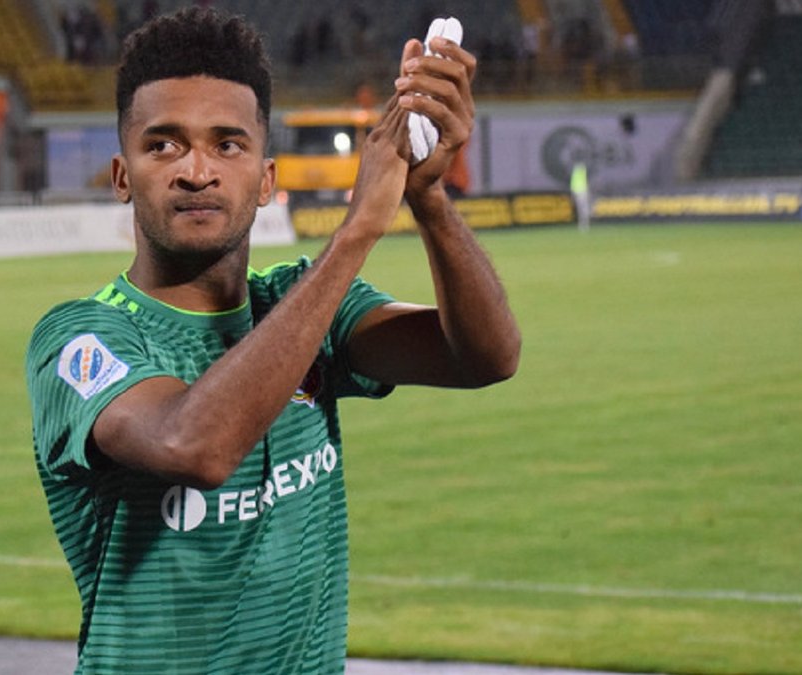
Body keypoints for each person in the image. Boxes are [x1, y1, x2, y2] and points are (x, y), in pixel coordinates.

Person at [26, 7, 520, 673]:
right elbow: (193, 446)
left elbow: (486, 357)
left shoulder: (304, 303)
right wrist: (357, 232)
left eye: (227, 145)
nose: (196, 171)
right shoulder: (80, 338)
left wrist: (428, 197)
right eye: (163, 145)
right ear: (122, 177)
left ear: (265, 180)